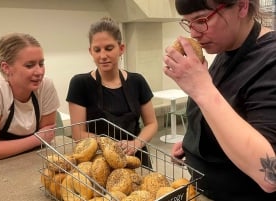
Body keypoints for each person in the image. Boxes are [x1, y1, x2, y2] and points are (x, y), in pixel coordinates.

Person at [163, 0, 276, 200]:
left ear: (242, 6)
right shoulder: (226, 50)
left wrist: (201, 88)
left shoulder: (270, 60)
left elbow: (270, 176)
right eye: (188, 23)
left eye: (201, 20)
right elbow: (234, 117)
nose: (194, 33)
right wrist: (196, 140)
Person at [66, 17, 158, 168]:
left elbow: (151, 123)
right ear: (90, 51)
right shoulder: (80, 84)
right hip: (99, 162)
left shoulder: (137, 81)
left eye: (109, 48)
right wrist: (112, 148)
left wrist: (136, 143)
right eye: (97, 50)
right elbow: (78, 134)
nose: (103, 56)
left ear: (121, 48)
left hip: (136, 157)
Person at [0, 33, 60, 162]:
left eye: (41, 64)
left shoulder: (45, 86)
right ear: (6, 67)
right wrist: (37, 139)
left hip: (34, 161)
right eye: (29, 65)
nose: (39, 72)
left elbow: (48, 135)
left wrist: (41, 139)